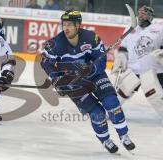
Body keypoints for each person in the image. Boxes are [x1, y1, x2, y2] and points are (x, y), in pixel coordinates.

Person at [40, 10, 135, 153]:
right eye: (64, 24)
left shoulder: (92, 38)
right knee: (97, 113)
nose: (66, 28)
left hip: (95, 76)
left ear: (78, 25)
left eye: (70, 25)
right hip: (74, 83)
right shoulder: (54, 44)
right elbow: (46, 63)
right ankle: (106, 140)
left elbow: (101, 59)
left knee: (111, 102)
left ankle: (124, 135)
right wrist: (57, 79)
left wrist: (91, 69)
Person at [112, 5, 163, 109]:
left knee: (157, 97)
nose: (140, 16)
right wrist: (121, 56)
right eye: (139, 13)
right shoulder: (130, 29)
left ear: (150, 16)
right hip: (134, 69)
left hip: (155, 70)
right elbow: (123, 48)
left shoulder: (159, 29)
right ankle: (112, 110)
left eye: (144, 14)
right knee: (122, 93)